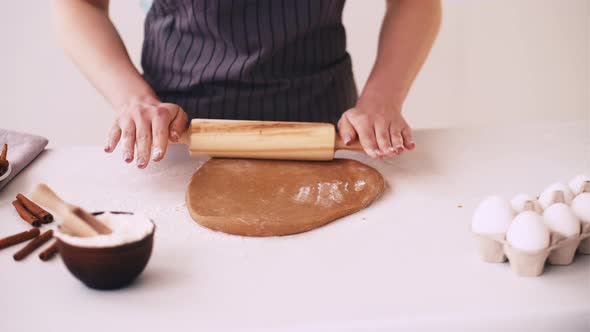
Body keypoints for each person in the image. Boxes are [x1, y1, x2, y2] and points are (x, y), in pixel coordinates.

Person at [52, 0, 441, 168]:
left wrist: (382, 99)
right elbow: (79, 4)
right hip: (173, 139)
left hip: (326, 134)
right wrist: (133, 100)